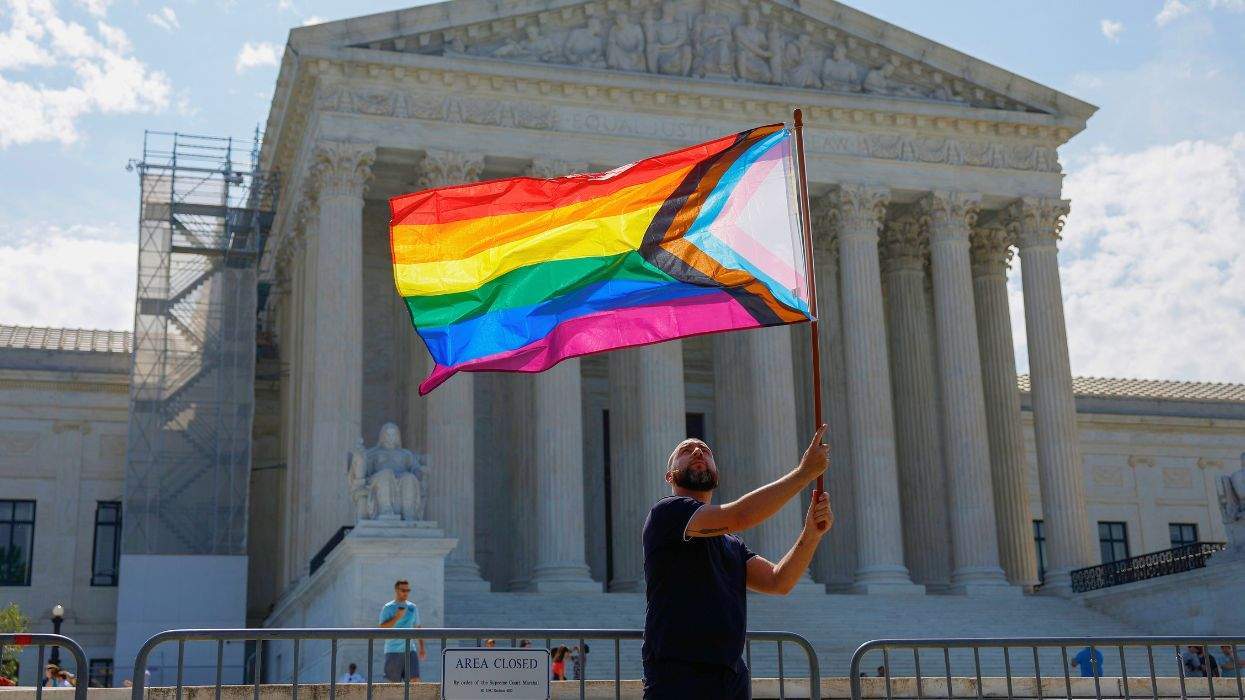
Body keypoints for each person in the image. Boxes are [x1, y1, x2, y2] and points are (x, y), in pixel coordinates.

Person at [642, 425, 833, 699]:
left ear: (717, 475)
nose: (698, 451)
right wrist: (804, 474)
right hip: (679, 675)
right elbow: (740, 516)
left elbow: (779, 581)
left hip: (730, 678)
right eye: (686, 451)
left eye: (706, 452)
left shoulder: (730, 544)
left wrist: (812, 534)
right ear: (670, 475)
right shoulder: (667, 514)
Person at [378, 580, 427, 683]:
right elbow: (382, 628)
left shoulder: (412, 608)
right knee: (394, 686)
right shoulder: (387, 608)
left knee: (415, 682)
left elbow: (418, 628)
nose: (406, 593)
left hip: (410, 650)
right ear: (396, 590)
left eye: (408, 590)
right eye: (403, 590)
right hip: (393, 650)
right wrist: (396, 617)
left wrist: (422, 648)